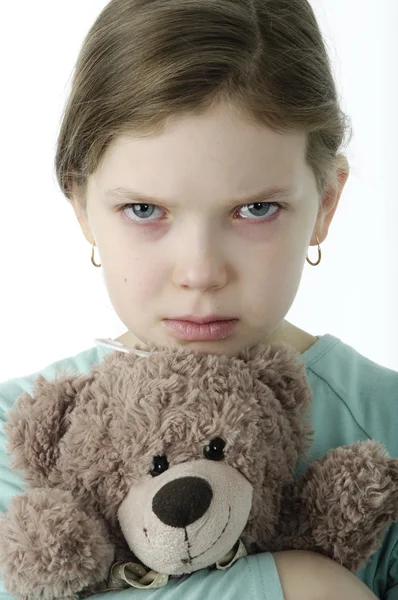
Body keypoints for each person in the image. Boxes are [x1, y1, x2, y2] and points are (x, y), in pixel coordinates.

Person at [0, 0, 396, 598]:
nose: (201, 272)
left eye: (255, 209)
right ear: (82, 207)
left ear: (326, 204)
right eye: (144, 210)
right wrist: (298, 585)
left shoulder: (385, 426)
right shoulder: (18, 435)